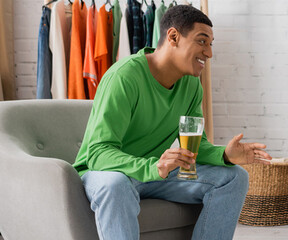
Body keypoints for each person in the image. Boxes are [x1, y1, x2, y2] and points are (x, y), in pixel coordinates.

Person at [72, 5, 272, 239]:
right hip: (107, 172)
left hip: (156, 172)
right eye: (202, 41)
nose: (209, 53)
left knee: (235, 177)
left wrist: (225, 155)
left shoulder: (191, 85)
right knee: (115, 184)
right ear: (173, 37)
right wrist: (153, 167)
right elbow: (98, 153)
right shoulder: (124, 78)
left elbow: (194, 147)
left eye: (210, 44)